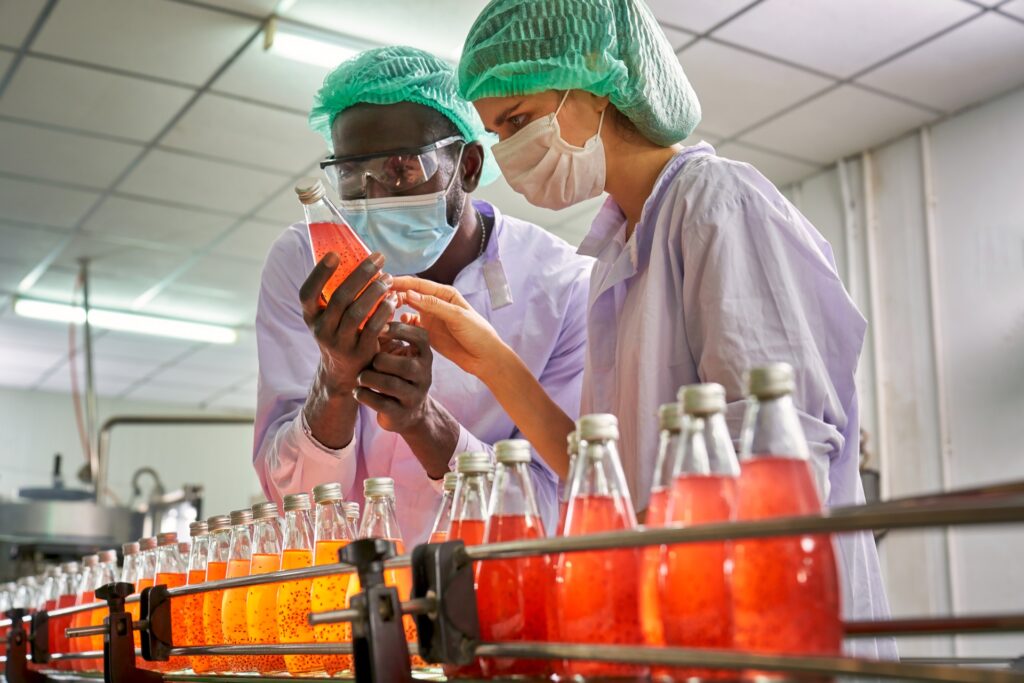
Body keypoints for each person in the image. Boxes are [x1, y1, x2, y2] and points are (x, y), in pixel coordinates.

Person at [390, 0, 895, 658]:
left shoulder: (718, 205)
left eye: (517, 121)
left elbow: (777, 460)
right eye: (496, 132)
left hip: (771, 639)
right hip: (685, 640)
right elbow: (606, 479)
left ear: (597, 79)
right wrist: (493, 362)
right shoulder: (619, 255)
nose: (510, 153)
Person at [253, 46, 591, 542]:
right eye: (350, 174)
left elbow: (560, 508)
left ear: (469, 167)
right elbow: (293, 505)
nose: (374, 195)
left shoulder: (560, 287)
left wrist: (423, 422)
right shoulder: (307, 262)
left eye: (402, 168)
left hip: (486, 591)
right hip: (349, 593)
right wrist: (335, 382)